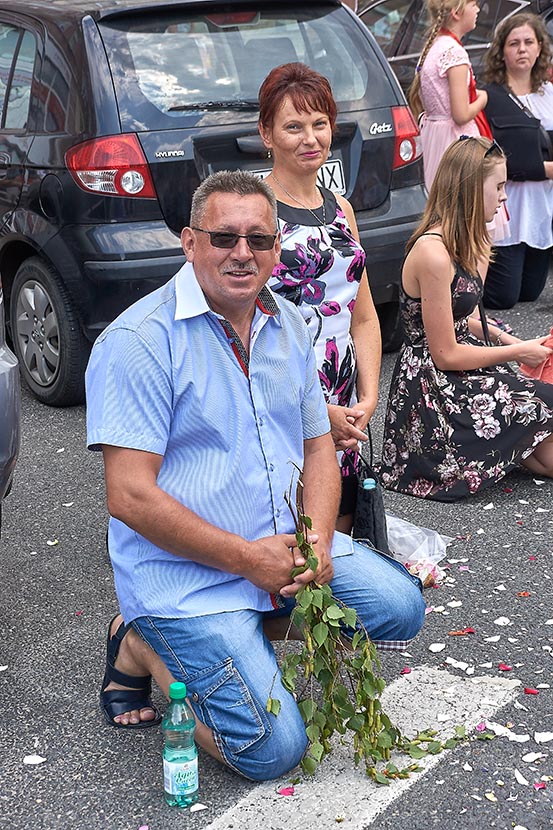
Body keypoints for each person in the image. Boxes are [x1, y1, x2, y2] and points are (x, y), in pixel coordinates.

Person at [86, 171, 425, 779]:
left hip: (277, 551)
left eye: (259, 239)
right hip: (186, 578)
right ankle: (138, 641)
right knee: (273, 750)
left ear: (276, 247)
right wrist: (246, 559)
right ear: (190, 242)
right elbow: (129, 496)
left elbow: (318, 447)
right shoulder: (138, 340)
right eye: (224, 237)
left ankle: (238, 638)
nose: (242, 253)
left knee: (400, 607)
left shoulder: (287, 321)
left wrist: (317, 540)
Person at [379, 136, 553, 502]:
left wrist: (513, 341)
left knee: (539, 430)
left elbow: (466, 319)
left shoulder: (470, 241)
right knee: (541, 411)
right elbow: (445, 355)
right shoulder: (433, 254)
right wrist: (517, 352)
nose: (504, 196)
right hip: (433, 388)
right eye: (499, 187)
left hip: (460, 368)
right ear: (472, 189)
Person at [258, 62, 382, 534]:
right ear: (266, 134)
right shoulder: (256, 210)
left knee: (338, 530)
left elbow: (363, 316)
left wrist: (368, 396)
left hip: (342, 389)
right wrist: (317, 412)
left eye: (320, 123)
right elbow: (241, 332)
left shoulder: (341, 208)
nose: (311, 138)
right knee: (288, 525)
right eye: (294, 126)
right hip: (280, 390)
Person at [482, 12, 553, 310]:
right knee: (503, 297)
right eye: (514, 43)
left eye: (528, 42)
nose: (522, 49)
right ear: (502, 51)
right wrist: (544, 169)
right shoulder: (489, 97)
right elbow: (488, 156)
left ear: (540, 48)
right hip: (507, 207)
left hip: (542, 206)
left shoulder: (549, 94)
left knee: (529, 293)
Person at [409, 0, 488, 190]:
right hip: (455, 141)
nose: (478, 9)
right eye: (473, 4)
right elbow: (460, 115)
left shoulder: (433, 46)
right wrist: (483, 99)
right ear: (456, 13)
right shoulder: (454, 52)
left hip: (434, 136)